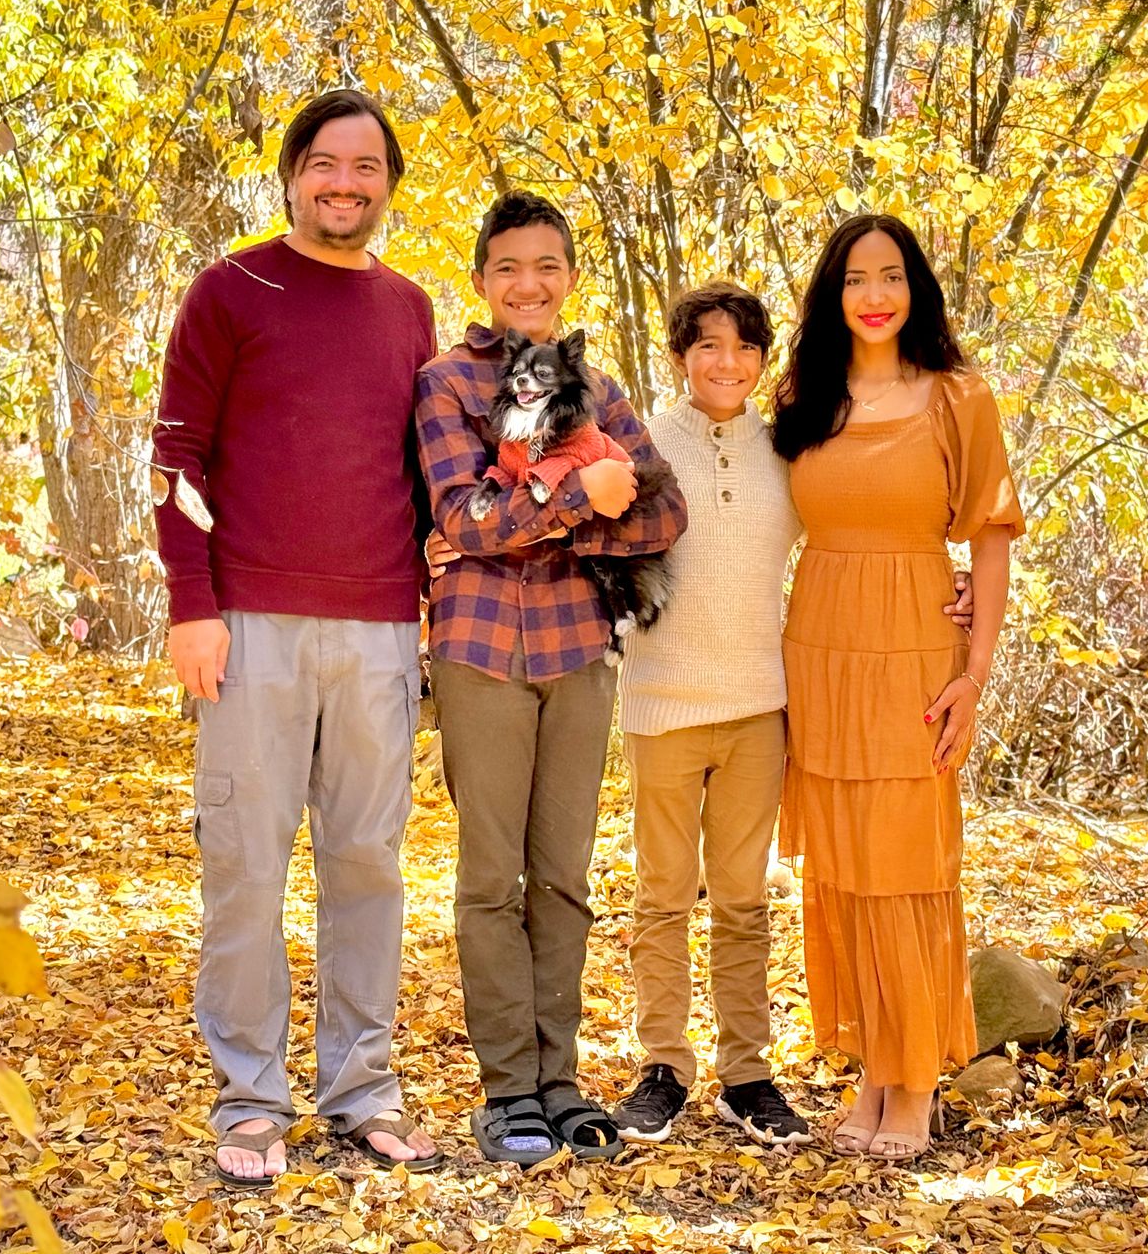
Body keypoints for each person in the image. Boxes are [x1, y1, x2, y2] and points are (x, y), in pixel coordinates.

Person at [154, 89, 443, 1188]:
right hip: (250, 629)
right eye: (325, 163)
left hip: (380, 631)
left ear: (388, 185)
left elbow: (421, 475)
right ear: (291, 175)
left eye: (366, 167)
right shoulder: (230, 289)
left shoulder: (408, 310)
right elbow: (177, 458)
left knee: (368, 866)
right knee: (245, 871)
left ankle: (362, 1091)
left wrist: (430, 611)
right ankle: (249, 1102)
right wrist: (192, 604)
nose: (344, 183)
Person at [610, 283, 974, 1148]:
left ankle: (746, 1074)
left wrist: (949, 580)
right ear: (678, 356)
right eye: (707, 345)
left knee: (742, 899)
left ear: (764, 360)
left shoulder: (788, 449)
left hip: (760, 707)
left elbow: (858, 527)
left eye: (744, 347)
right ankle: (663, 1067)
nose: (725, 362)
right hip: (661, 704)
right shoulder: (644, 444)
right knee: (664, 894)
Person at [415, 191, 688, 1164]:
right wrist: (580, 496)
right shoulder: (447, 382)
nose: (527, 284)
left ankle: (561, 1083)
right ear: (481, 280)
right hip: (480, 648)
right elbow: (462, 518)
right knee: (492, 877)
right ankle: (507, 1092)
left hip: (577, 650)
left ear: (570, 277)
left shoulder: (598, 389)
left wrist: (532, 511)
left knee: (564, 878)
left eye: (546, 266)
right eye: (508, 268)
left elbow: (661, 515)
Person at [772, 213, 1023, 1161]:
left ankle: (915, 1081)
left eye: (890, 276)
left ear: (915, 288)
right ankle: (875, 1071)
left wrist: (975, 675)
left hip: (916, 646)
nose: (873, 296)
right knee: (845, 868)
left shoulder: (958, 396)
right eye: (853, 280)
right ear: (831, 297)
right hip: (819, 645)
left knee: (908, 863)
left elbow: (991, 538)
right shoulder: (806, 396)